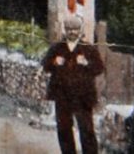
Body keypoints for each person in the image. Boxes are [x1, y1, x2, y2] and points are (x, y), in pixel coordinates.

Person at [42, 16, 104, 154]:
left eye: (75, 29)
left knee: (86, 129)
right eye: (69, 29)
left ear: (80, 30)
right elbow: (45, 65)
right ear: (65, 30)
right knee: (64, 129)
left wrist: (87, 63)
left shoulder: (89, 49)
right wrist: (54, 62)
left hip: (83, 97)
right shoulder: (57, 48)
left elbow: (99, 68)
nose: (72, 32)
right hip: (62, 96)